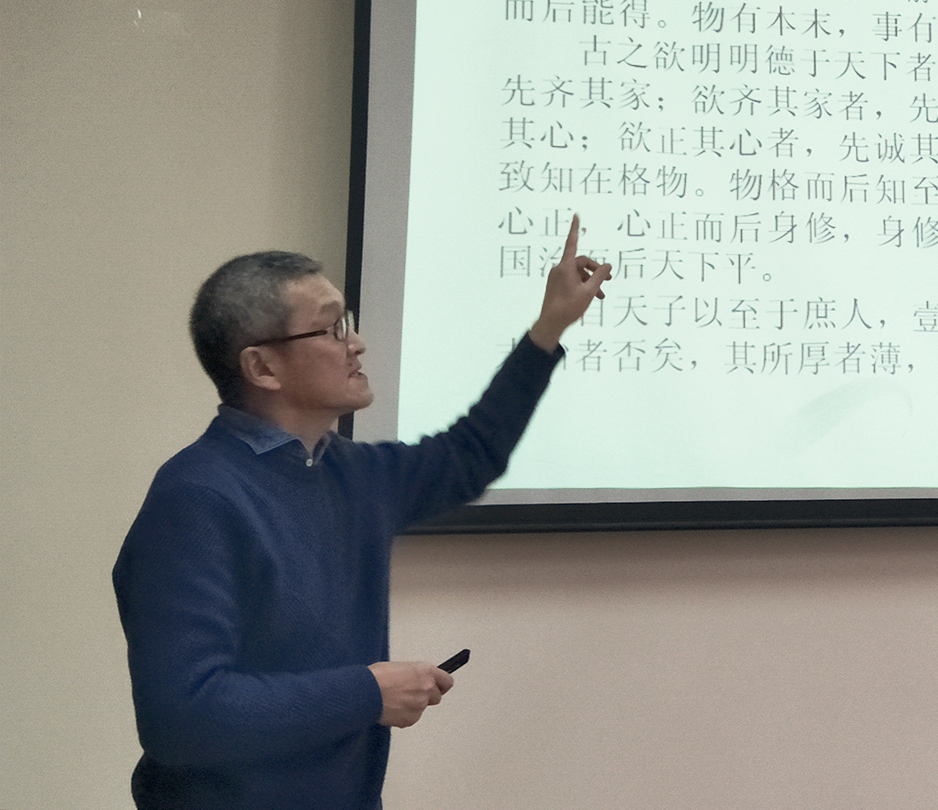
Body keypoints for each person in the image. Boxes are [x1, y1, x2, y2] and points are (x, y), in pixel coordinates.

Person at [112, 216, 609, 810]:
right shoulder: (196, 497)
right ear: (262, 368)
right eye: (331, 329)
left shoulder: (349, 471)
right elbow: (181, 718)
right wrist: (369, 692)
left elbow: (470, 454)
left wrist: (549, 327)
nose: (357, 343)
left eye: (347, 323)